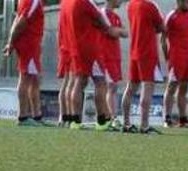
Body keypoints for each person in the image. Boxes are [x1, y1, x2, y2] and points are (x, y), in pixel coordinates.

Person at [60, 0, 117, 130]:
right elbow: (104, 22)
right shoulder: (86, 2)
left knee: (79, 82)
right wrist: (104, 27)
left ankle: (75, 121)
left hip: (75, 45)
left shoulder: (65, 3)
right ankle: (102, 121)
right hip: (90, 47)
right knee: (100, 82)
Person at [122, 0, 165, 133]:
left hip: (134, 50)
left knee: (130, 88)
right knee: (147, 87)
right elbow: (162, 27)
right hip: (147, 51)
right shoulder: (150, 5)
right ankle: (144, 125)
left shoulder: (131, 5)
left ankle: (126, 123)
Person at [2, 0, 44, 126]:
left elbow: (17, 18)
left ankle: (37, 116)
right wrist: (11, 42)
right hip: (29, 44)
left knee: (35, 79)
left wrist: (12, 42)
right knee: (25, 77)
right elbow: (21, 21)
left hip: (31, 44)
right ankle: (23, 117)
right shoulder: (33, 1)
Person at [163, 0, 188, 128]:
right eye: (187, 1)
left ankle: (183, 119)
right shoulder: (171, 16)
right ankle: (167, 119)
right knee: (172, 87)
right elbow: (163, 39)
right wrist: (167, 57)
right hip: (176, 57)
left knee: (184, 88)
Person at [100, 0, 127, 131]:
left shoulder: (116, 16)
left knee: (114, 87)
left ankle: (111, 117)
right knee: (110, 86)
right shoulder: (102, 13)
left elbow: (125, 33)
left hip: (115, 56)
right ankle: (111, 118)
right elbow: (112, 32)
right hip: (105, 56)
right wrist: (118, 31)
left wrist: (118, 31)